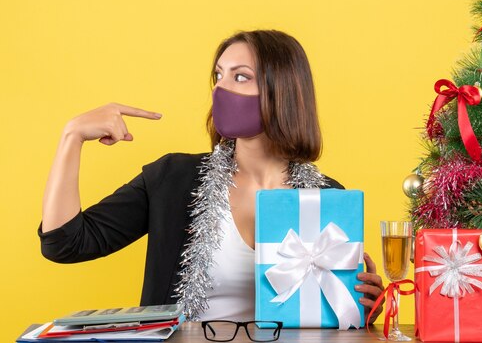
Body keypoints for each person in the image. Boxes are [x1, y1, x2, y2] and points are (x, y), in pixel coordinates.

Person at [39, 29, 384, 323]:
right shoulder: (173, 180)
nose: (221, 89)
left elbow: (338, 314)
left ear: (283, 90)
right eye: (218, 76)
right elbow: (65, 243)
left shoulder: (327, 197)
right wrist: (72, 136)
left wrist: (365, 300)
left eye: (240, 76)